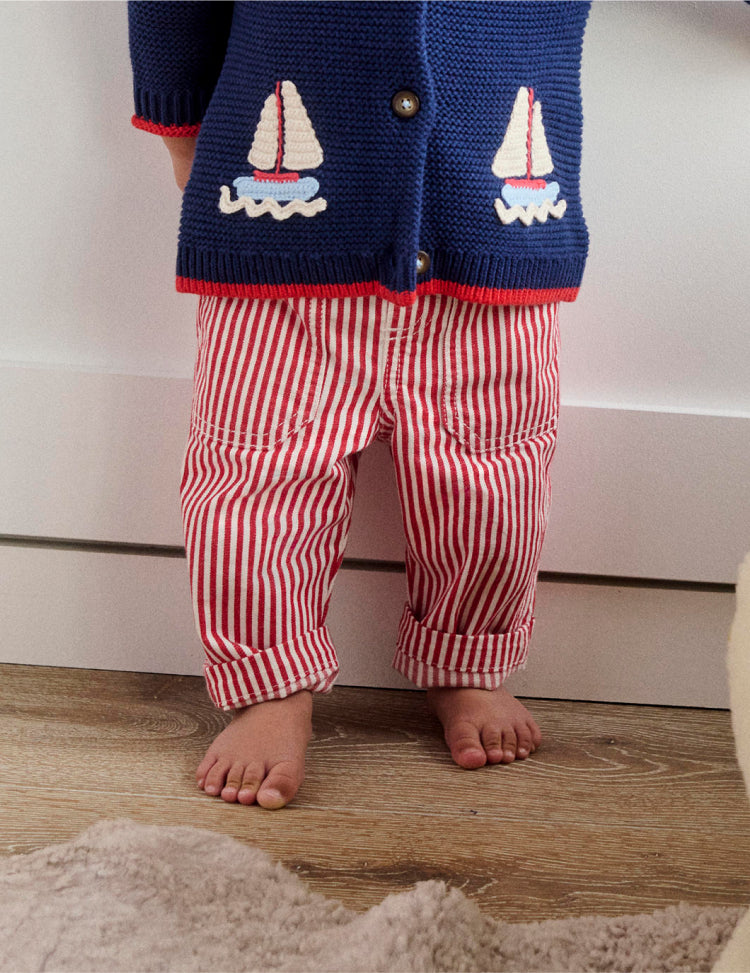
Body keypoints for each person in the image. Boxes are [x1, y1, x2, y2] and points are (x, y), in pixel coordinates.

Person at [128, 0, 590, 809]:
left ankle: (465, 656)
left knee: (493, 481)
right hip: (279, 247)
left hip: (491, 233)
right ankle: (270, 681)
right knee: (255, 475)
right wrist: (180, 126)